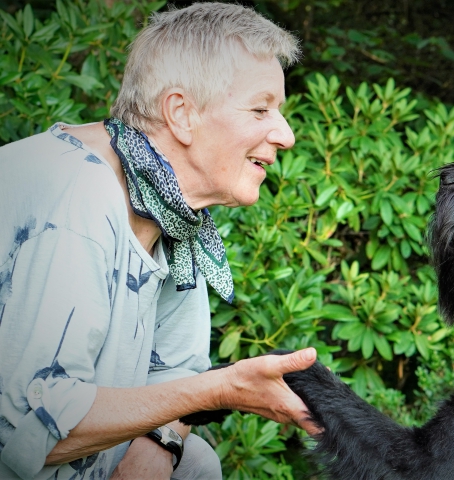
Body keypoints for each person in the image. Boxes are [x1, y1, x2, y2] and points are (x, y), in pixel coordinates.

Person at [0, 3, 319, 479]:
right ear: (181, 113)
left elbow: (175, 371)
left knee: (195, 463)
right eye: (260, 108)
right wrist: (220, 390)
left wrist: (162, 440)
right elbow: (26, 431)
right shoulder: (76, 199)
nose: (286, 135)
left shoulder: (169, 206)